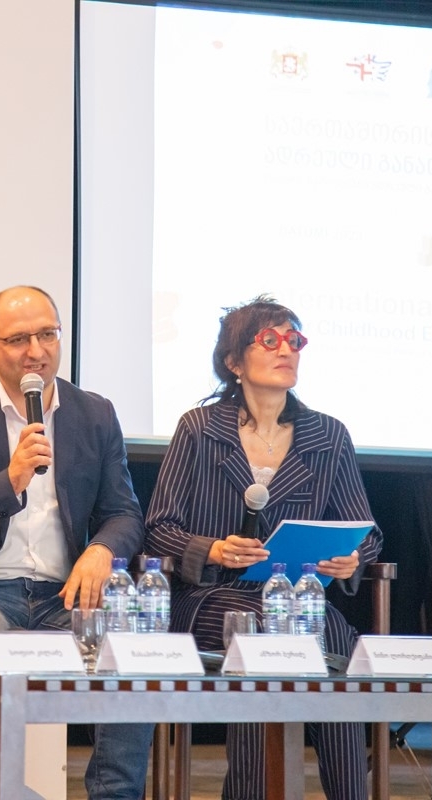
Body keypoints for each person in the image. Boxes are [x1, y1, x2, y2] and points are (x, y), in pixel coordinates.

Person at [0, 285, 155, 800]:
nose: (36, 351)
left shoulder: (95, 413)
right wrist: (9, 482)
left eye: (47, 334)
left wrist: (102, 550)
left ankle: (114, 793)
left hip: (68, 596)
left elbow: (124, 513)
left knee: (135, 647)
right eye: (19, 339)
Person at [144, 295, 383, 800]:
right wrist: (213, 549)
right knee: (262, 635)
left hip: (297, 601)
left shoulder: (327, 435)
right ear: (234, 361)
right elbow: (159, 528)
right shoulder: (199, 429)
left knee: (333, 635)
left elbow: (366, 531)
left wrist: (351, 559)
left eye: (295, 340)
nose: (286, 350)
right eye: (270, 340)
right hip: (211, 598)